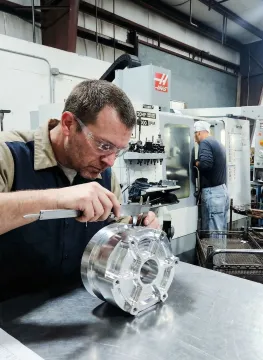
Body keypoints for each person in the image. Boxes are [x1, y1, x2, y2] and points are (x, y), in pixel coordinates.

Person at [0, 80, 159, 299]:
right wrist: (57, 198)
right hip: (9, 316)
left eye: (118, 150)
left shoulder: (104, 175)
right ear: (68, 124)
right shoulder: (9, 155)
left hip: (78, 310)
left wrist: (137, 230)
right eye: (104, 145)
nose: (111, 161)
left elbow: (115, 231)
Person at [194, 121, 229, 232]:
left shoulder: (205, 143)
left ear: (199, 133)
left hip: (213, 194)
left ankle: (213, 250)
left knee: (213, 233)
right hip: (221, 192)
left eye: (195, 135)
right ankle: (221, 250)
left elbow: (206, 164)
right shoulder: (216, 142)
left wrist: (196, 163)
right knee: (220, 231)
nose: (195, 140)